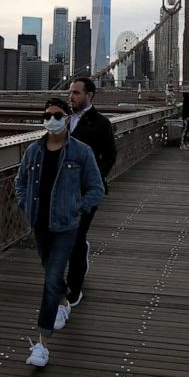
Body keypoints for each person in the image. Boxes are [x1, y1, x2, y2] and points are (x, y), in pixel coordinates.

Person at [16, 97, 104, 367]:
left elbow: (96, 189)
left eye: (57, 114)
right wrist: (24, 203)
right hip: (39, 225)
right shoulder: (33, 151)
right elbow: (20, 183)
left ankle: (42, 346)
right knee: (52, 277)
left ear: (67, 117)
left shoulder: (81, 152)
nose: (51, 119)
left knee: (51, 277)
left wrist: (77, 208)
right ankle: (64, 301)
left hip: (66, 226)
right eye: (47, 115)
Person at [66, 77, 117, 308]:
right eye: (70, 92)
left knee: (75, 238)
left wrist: (94, 180)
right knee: (66, 238)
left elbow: (110, 157)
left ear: (90, 96)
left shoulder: (101, 124)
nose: (71, 96)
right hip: (63, 191)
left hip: (86, 192)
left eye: (76, 93)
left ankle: (74, 290)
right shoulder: (62, 119)